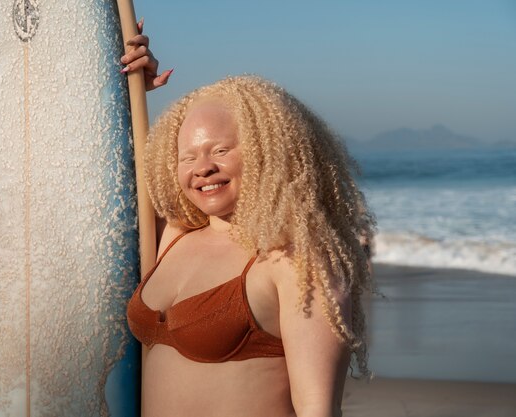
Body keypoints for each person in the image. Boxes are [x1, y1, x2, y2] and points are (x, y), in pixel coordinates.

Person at [121, 23, 376, 417]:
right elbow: (109, 170)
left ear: (268, 151)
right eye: (188, 157)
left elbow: (317, 410)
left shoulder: (294, 260)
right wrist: (130, 89)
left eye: (219, 150)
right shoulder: (174, 236)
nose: (203, 168)